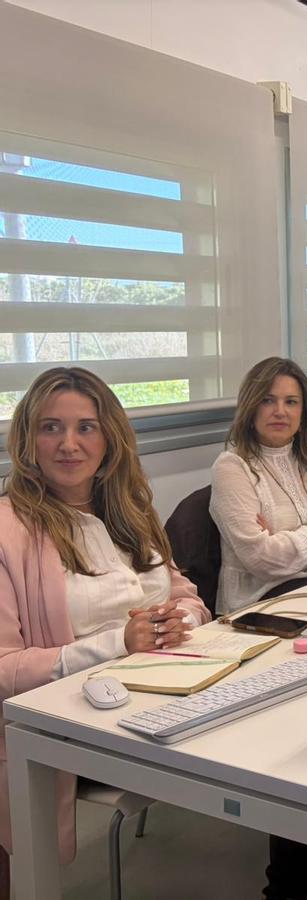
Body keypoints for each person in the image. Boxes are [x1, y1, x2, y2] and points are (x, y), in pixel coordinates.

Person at [0, 367, 211, 887]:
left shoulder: (129, 510)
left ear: (109, 437)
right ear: (27, 438)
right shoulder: (9, 529)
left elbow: (184, 594)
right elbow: (4, 668)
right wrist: (117, 643)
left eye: (85, 428)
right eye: (51, 428)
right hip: (75, 726)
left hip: (168, 692)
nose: (68, 444)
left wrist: (178, 621)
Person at [210, 358, 307, 615]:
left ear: (303, 412)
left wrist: (297, 549)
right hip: (265, 605)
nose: (280, 411)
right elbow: (263, 559)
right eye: (267, 400)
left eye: (291, 402)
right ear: (251, 408)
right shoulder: (232, 467)